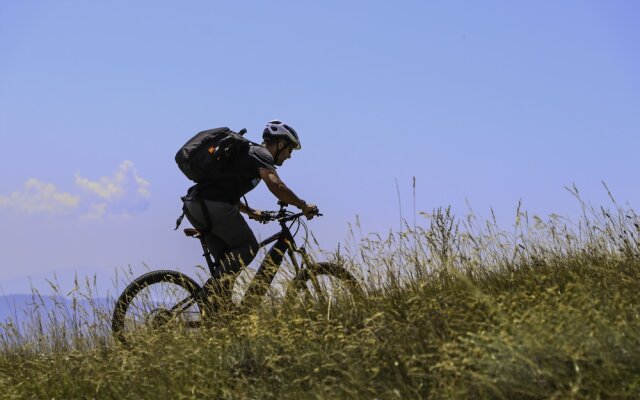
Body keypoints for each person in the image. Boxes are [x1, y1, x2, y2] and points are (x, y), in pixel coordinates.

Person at [182, 120, 317, 308]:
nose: (289, 156)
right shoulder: (261, 154)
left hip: (196, 204)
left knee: (228, 262)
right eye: (289, 149)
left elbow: (224, 190)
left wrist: (251, 211)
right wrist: (302, 205)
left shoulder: (248, 155)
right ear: (280, 144)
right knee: (249, 247)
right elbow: (276, 185)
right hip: (209, 205)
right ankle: (209, 297)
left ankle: (216, 311)